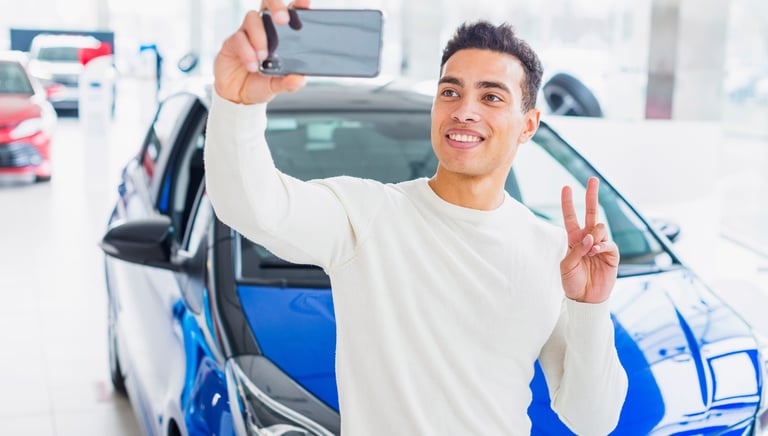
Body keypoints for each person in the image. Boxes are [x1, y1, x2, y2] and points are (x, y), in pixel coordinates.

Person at [204, 1, 628, 434]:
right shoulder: (368, 215)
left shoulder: (554, 253)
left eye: (491, 97)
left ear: (528, 125)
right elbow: (252, 206)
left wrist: (591, 308)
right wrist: (236, 102)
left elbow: (592, 420)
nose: (464, 110)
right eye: (450, 92)